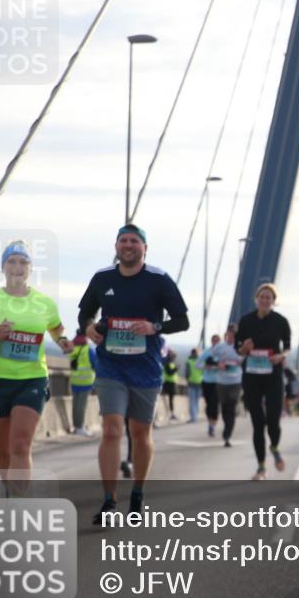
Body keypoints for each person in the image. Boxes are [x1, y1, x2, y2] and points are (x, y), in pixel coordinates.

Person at [79, 224, 189, 522]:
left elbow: (182, 321)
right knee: (112, 429)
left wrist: (155, 327)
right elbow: (85, 313)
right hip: (111, 366)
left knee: (140, 434)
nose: (128, 245)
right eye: (123, 240)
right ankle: (109, 501)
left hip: (146, 368)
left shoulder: (159, 279)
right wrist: (88, 327)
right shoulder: (103, 278)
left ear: (144, 248)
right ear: (116, 246)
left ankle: (138, 493)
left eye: (134, 241)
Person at [0, 241, 71, 493]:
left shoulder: (44, 303)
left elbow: (56, 328)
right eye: (12, 261)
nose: (17, 267)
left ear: (30, 269)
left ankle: (18, 500)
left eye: (23, 262)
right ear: (3, 268)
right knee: (3, 450)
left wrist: (62, 341)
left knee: (21, 446)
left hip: (32, 380)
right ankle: (10, 492)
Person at [236, 283, 291, 480]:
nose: (265, 300)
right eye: (262, 297)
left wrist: (281, 356)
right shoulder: (245, 321)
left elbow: (288, 347)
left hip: (273, 375)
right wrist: (244, 348)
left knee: (273, 420)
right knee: (257, 423)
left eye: (269, 297)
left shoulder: (281, 321)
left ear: (273, 301)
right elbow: (238, 349)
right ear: (256, 299)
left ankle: (274, 446)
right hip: (251, 376)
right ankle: (261, 468)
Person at [209, 325, 243, 447]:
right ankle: (226, 429)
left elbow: (246, 360)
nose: (232, 335)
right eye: (230, 333)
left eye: (234, 333)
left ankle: (227, 434)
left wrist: (239, 362)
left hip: (236, 381)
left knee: (231, 407)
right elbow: (210, 359)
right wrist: (218, 364)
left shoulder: (241, 347)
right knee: (224, 408)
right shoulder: (219, 347)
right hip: (222, 382)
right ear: (227, 333)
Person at [68, 329, 97, 437]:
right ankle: (80, 427)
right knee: (82, 405)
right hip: (86, 381)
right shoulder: (88, 350)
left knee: (75, 405)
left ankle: (76, 427)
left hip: (75, 380)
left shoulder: (72, 348)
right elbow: (96, 364)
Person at [198, 334, 221, 437]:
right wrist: (205, 366)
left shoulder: (222, 353)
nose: (215, 342)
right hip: (206, 381)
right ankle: (210, 423)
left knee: (214, 404)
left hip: (218, 382)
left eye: (217, 341)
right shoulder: (206, 352)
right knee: (208, 405)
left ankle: (213, 426)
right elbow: (197, 364)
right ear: (211, 341)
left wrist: (218, 367)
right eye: (214, 340)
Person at [185, 348, 203, 423]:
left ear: (191, 353)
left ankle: (193, 418)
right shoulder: (201, 361)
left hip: (191, 383)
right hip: (200, 383)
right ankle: (195, 416)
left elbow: (187, 374)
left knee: (192, 401)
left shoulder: (188, 361)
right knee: (196, 401)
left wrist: (187, 380)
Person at [161, 349, 179, 421]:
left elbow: (175, 355)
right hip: (167, 382)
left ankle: (171, 414)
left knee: (171, 399)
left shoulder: (170, 361)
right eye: (172, 354)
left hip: (172, 382)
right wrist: (176, 369)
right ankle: (169, 414)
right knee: (167, 399)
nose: (173, 356)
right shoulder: (167, 362)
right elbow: (169, 372)